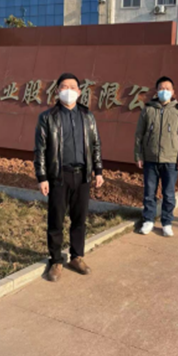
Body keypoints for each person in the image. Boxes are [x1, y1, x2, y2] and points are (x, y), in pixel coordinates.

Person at [34, 73, 104, 282]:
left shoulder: (87, 116)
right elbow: (40, 150)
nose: (68, 90)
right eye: (64, 87)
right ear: (57, 91)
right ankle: (56, 260)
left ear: (79, 92)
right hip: (59, 175)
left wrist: (98, 170)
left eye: (73, 87)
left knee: (79, 219)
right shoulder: (48, 117)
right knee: (56, 219)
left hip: (82, 175)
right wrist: (42, 177)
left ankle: (76, 257)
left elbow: (96, 145)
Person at [134, 76, 178, 237]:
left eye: (167, 89)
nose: (164, 91)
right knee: (149, 192)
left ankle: (167, 222)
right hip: (150, 158)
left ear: (173, 92)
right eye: (161, 88)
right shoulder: (148, 110)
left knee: (169, 194)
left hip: (171, 160)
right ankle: (148, 220)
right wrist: (138, 155)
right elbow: (139, 134)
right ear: (156, 91)